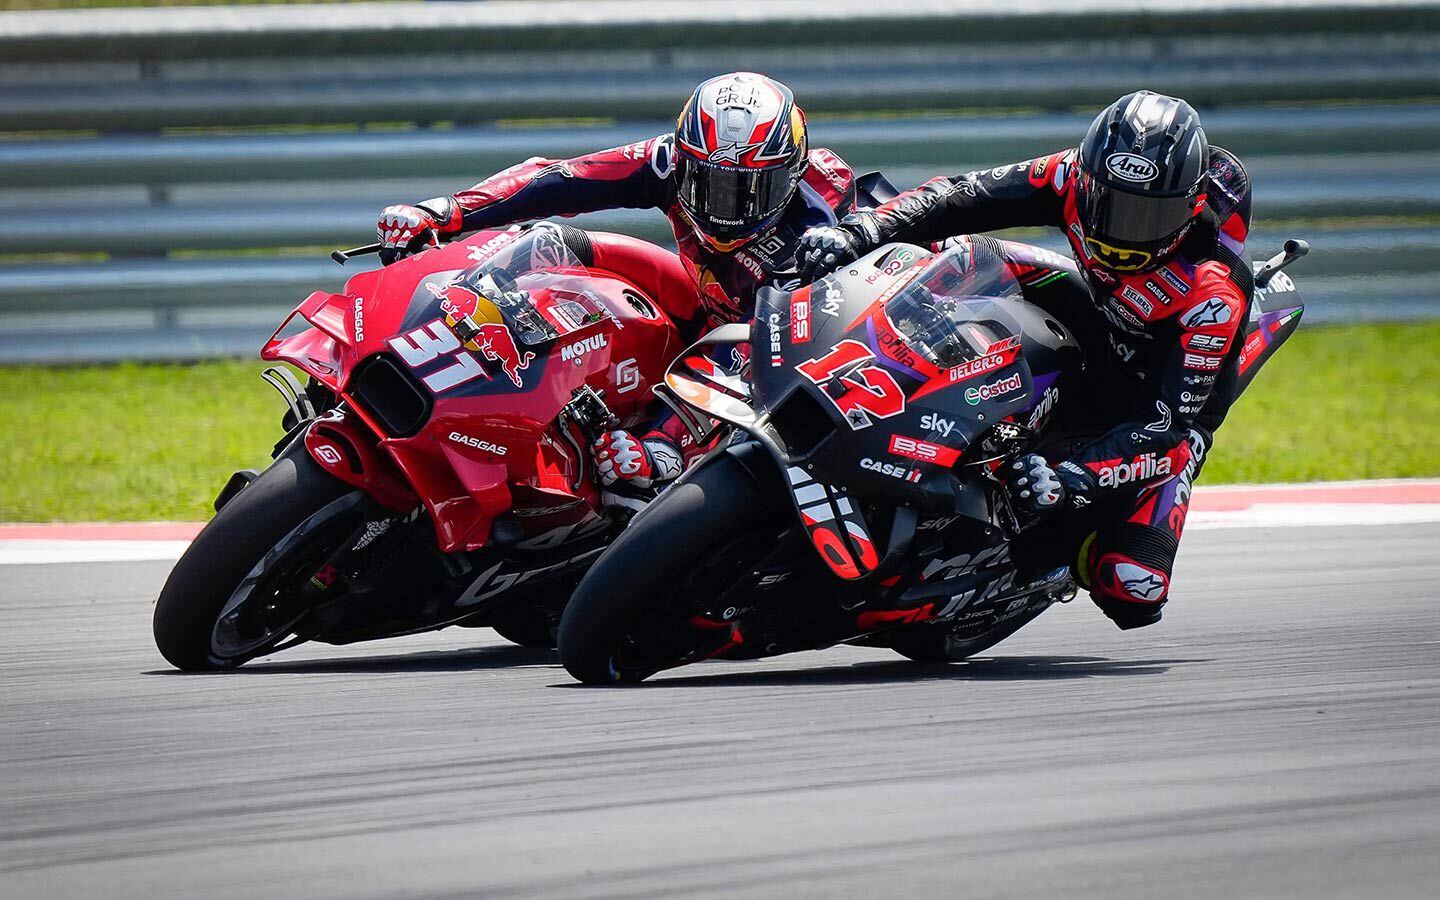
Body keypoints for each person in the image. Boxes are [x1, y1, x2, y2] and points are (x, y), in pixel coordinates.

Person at [796, 90, 1253, 630]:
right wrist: (862, 231)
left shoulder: (1212, 295)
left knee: (1133, 584)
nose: (1122, 230)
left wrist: (1071, 478)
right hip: (1098, 316)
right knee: (962, 253)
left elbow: (1166, 433)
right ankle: (872, 374)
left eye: (1146, 215)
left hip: (1160, 400)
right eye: (1111, 204)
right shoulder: (1066, 177)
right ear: (1086, 179)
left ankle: (1050, 566)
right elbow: (960, 195)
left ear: (1190, 207)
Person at [375, 72, 857, 501]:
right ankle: (427, 341)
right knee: (551, 243)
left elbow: (757, 354)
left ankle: (664, 455)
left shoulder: (815, 228)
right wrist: (446, 211)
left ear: (790, 178)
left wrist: (663, 443)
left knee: (677, 439)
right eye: (707, 182)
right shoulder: (669, 160)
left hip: (774, 358)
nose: (723, 209)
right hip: (700, 300)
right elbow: (561, 178)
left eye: (750, 190)